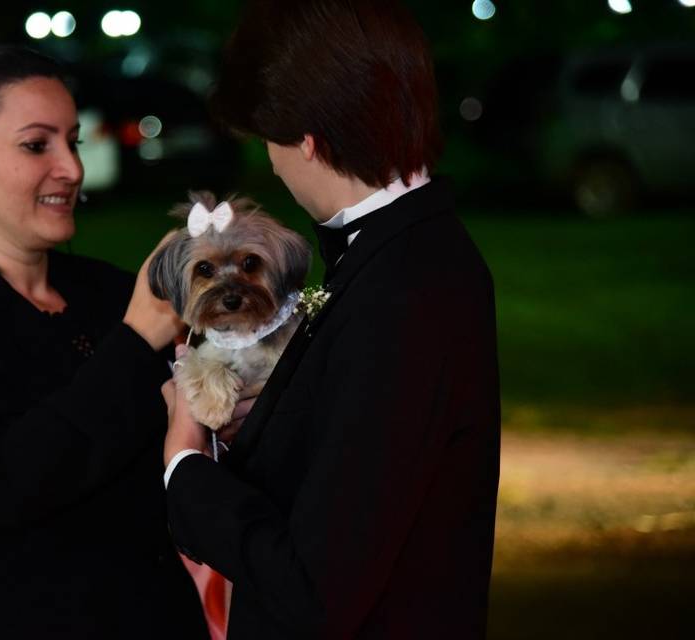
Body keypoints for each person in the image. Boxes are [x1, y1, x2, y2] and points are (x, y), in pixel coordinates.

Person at [161, 1, 501, 638]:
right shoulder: (404, 257)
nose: (272, 158)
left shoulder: (404, 290)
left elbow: (315, 586)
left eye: (268, 135)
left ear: (307, 138)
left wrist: (184, 463)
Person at [0, 44, 208, 638]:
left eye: (72, 140)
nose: (72, 167)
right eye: (36, 144)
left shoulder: (105, 291)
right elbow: (12, 480)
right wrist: (137, 339)